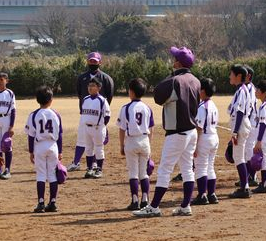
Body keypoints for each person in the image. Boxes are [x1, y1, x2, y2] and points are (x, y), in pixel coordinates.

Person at [133, 46, 200, 217]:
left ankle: (154, 207)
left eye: (175, 58)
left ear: (178, 63)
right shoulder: (196, 80)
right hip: (191, 131)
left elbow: (158, 96)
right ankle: (185, 206)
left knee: (165, 170)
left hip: (177, 132)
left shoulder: (175, 81)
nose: (173, 60)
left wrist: (173, 74)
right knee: (187, 169)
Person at [68, 52, 114, 172]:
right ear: (87, 61)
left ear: (100, 62)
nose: (93, 63)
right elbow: (80, 94)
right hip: (85, 115)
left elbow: (109, 97)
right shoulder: (81, 77)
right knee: (82, 139)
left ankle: (94, 164)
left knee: (96, 143)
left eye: (95, 61)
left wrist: (103, 116)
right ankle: (76, 162)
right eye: (91, 60)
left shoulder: (106, 78)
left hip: (99, 117)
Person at [117, 78, 154, 210]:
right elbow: (151, 129)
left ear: (131, 92)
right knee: (143, 173)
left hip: (131, 141)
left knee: (133, 173)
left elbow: (121, 129)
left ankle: (134, 200)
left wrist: (122, 145)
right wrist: (148, 144)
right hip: (144, 140)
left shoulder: (126, 108)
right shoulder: (147, 108)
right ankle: (145, 199)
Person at [25, 86, 63, 213]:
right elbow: (60, 135)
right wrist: (61, 151)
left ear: (37, 100)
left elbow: (31, 135)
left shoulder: (34, 114)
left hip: (40, 145)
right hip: (53, 145)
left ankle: (41, 202)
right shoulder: (56, 114)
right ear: (51, 100)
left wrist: (31, 151)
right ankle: (53, 202)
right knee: (52, 174)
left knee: (41, 174)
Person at [191, 78, 219, 205]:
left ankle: (202, 195)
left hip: (205, 138)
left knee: (200, 167)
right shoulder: (213, 105)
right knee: (210, 166)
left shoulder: (202, 106)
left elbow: (199, 128)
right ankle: (211, 194)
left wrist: (195, 146)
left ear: (202, 90)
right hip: (214, 137)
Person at [227, 64, 252, 199]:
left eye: (231, 74)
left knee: (238, 158)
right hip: (241, 126)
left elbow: (240, 112)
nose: (229, 76)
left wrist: (235, 132)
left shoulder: (241, 91)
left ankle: (244, 187)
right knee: (239, 157)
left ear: (238, 76)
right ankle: (245, 186)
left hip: (241, 126)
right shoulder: (240, 90)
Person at [79, 77, 111, 179]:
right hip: (87, 127)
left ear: (99, 88)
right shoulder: (85, 99)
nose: (90, 87)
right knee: (88, 149)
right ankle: (89, 169)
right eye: (89, 85)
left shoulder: (102, 100)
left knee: (98, 148)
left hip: (98, 128)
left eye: (93, 85)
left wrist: (102, 126)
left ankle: (99, 169)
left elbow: (107, 116)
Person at [242, 65, 259, 186]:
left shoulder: (250, 89)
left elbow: (249, 109)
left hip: (251, 125)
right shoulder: (246, 88)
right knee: (246, 150)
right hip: (249, 124)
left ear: (248, 76)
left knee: (248, 150)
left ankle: (252, 176)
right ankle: (248, 175)